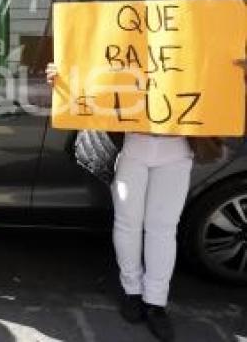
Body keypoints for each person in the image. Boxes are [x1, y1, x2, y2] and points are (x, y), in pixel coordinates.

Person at [46, 62, 226, 342]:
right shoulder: (126, 25)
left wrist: (237, 70)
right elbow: (94, 56)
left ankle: (155, 302)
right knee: (128, 222)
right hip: (131, 144)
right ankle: (132, 291)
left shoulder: (189, 27)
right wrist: (65, 75)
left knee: (162, 228)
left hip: (177, 145)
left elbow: (215, 70)